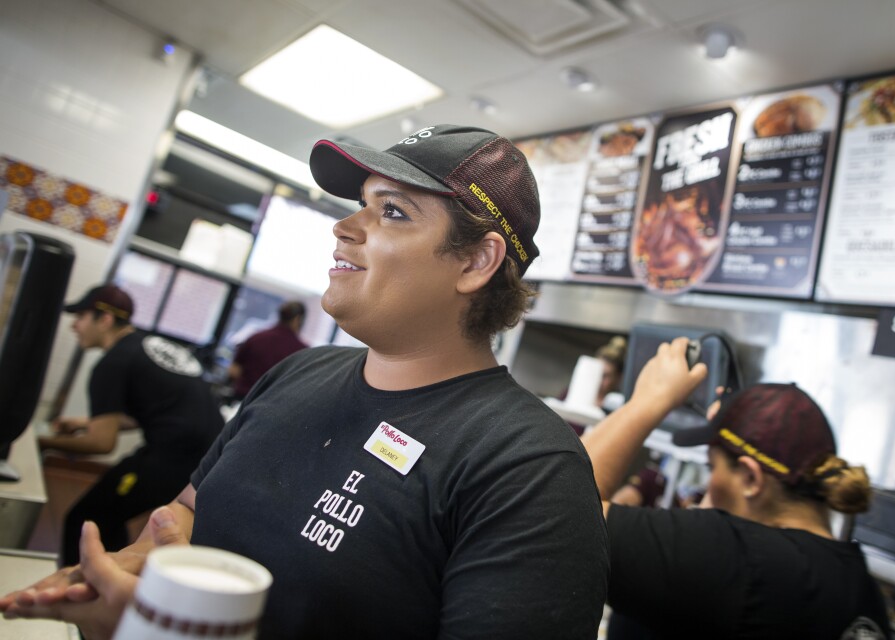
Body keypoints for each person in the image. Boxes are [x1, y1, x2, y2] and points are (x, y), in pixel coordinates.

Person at [2, 125, 611, 639]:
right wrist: (131, 570)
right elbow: (186, 515)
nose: (345, 226)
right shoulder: (298, 373)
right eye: (361, 203)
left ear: (476, 262)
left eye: (392, 211)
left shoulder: (529, 467)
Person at [583, 337, 890, 639]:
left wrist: (648, 401)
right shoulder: (859, 586)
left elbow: (561, 511)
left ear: (751, 479)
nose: (709, 483)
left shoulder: (734, 558)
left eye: (712, 468)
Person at [37, 284, 224, 567]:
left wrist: (40, 441)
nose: (74, 326)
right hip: (214, 455)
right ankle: (113, 576)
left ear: (105, 319)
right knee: (106, 515)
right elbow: (157, 410)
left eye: (81, 317)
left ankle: (89, 590)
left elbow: (101, 444)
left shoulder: (112, 363)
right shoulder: (147, 344)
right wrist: (85, 423)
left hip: (176, 460)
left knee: (86, 519)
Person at [227, 299, 308, 400]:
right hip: (272, 406)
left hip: (242, 399)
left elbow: (233, 370)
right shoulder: (303, 351)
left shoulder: (256, 337)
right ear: (297, 319)